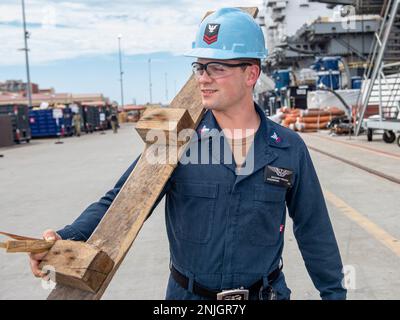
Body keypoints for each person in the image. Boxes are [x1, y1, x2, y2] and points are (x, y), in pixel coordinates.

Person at [29, 8, 346, 300]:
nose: (202, 78)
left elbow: (314, 230)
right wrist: (64, 236)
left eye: (216, 67)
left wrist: (334, 294)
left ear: (251, 73)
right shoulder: (175, 142)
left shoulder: (289, 149)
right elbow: (121, 201)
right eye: (199, 66)